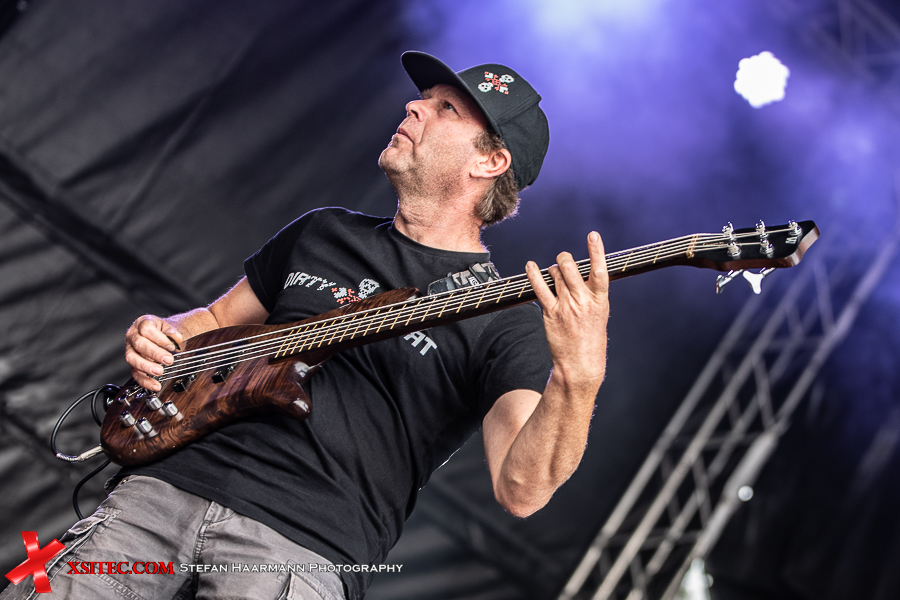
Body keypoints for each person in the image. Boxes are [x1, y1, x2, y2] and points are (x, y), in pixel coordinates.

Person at [2, 52, 609, 600]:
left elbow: (521, 489)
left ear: (490, 161)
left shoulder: (506, 317)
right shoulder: (324, 231)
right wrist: (161, 335)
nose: (414, 106)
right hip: (159, 492)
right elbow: (210, 323)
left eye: (445, 108)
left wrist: (578, 376)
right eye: (424, 97)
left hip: (299, 551)